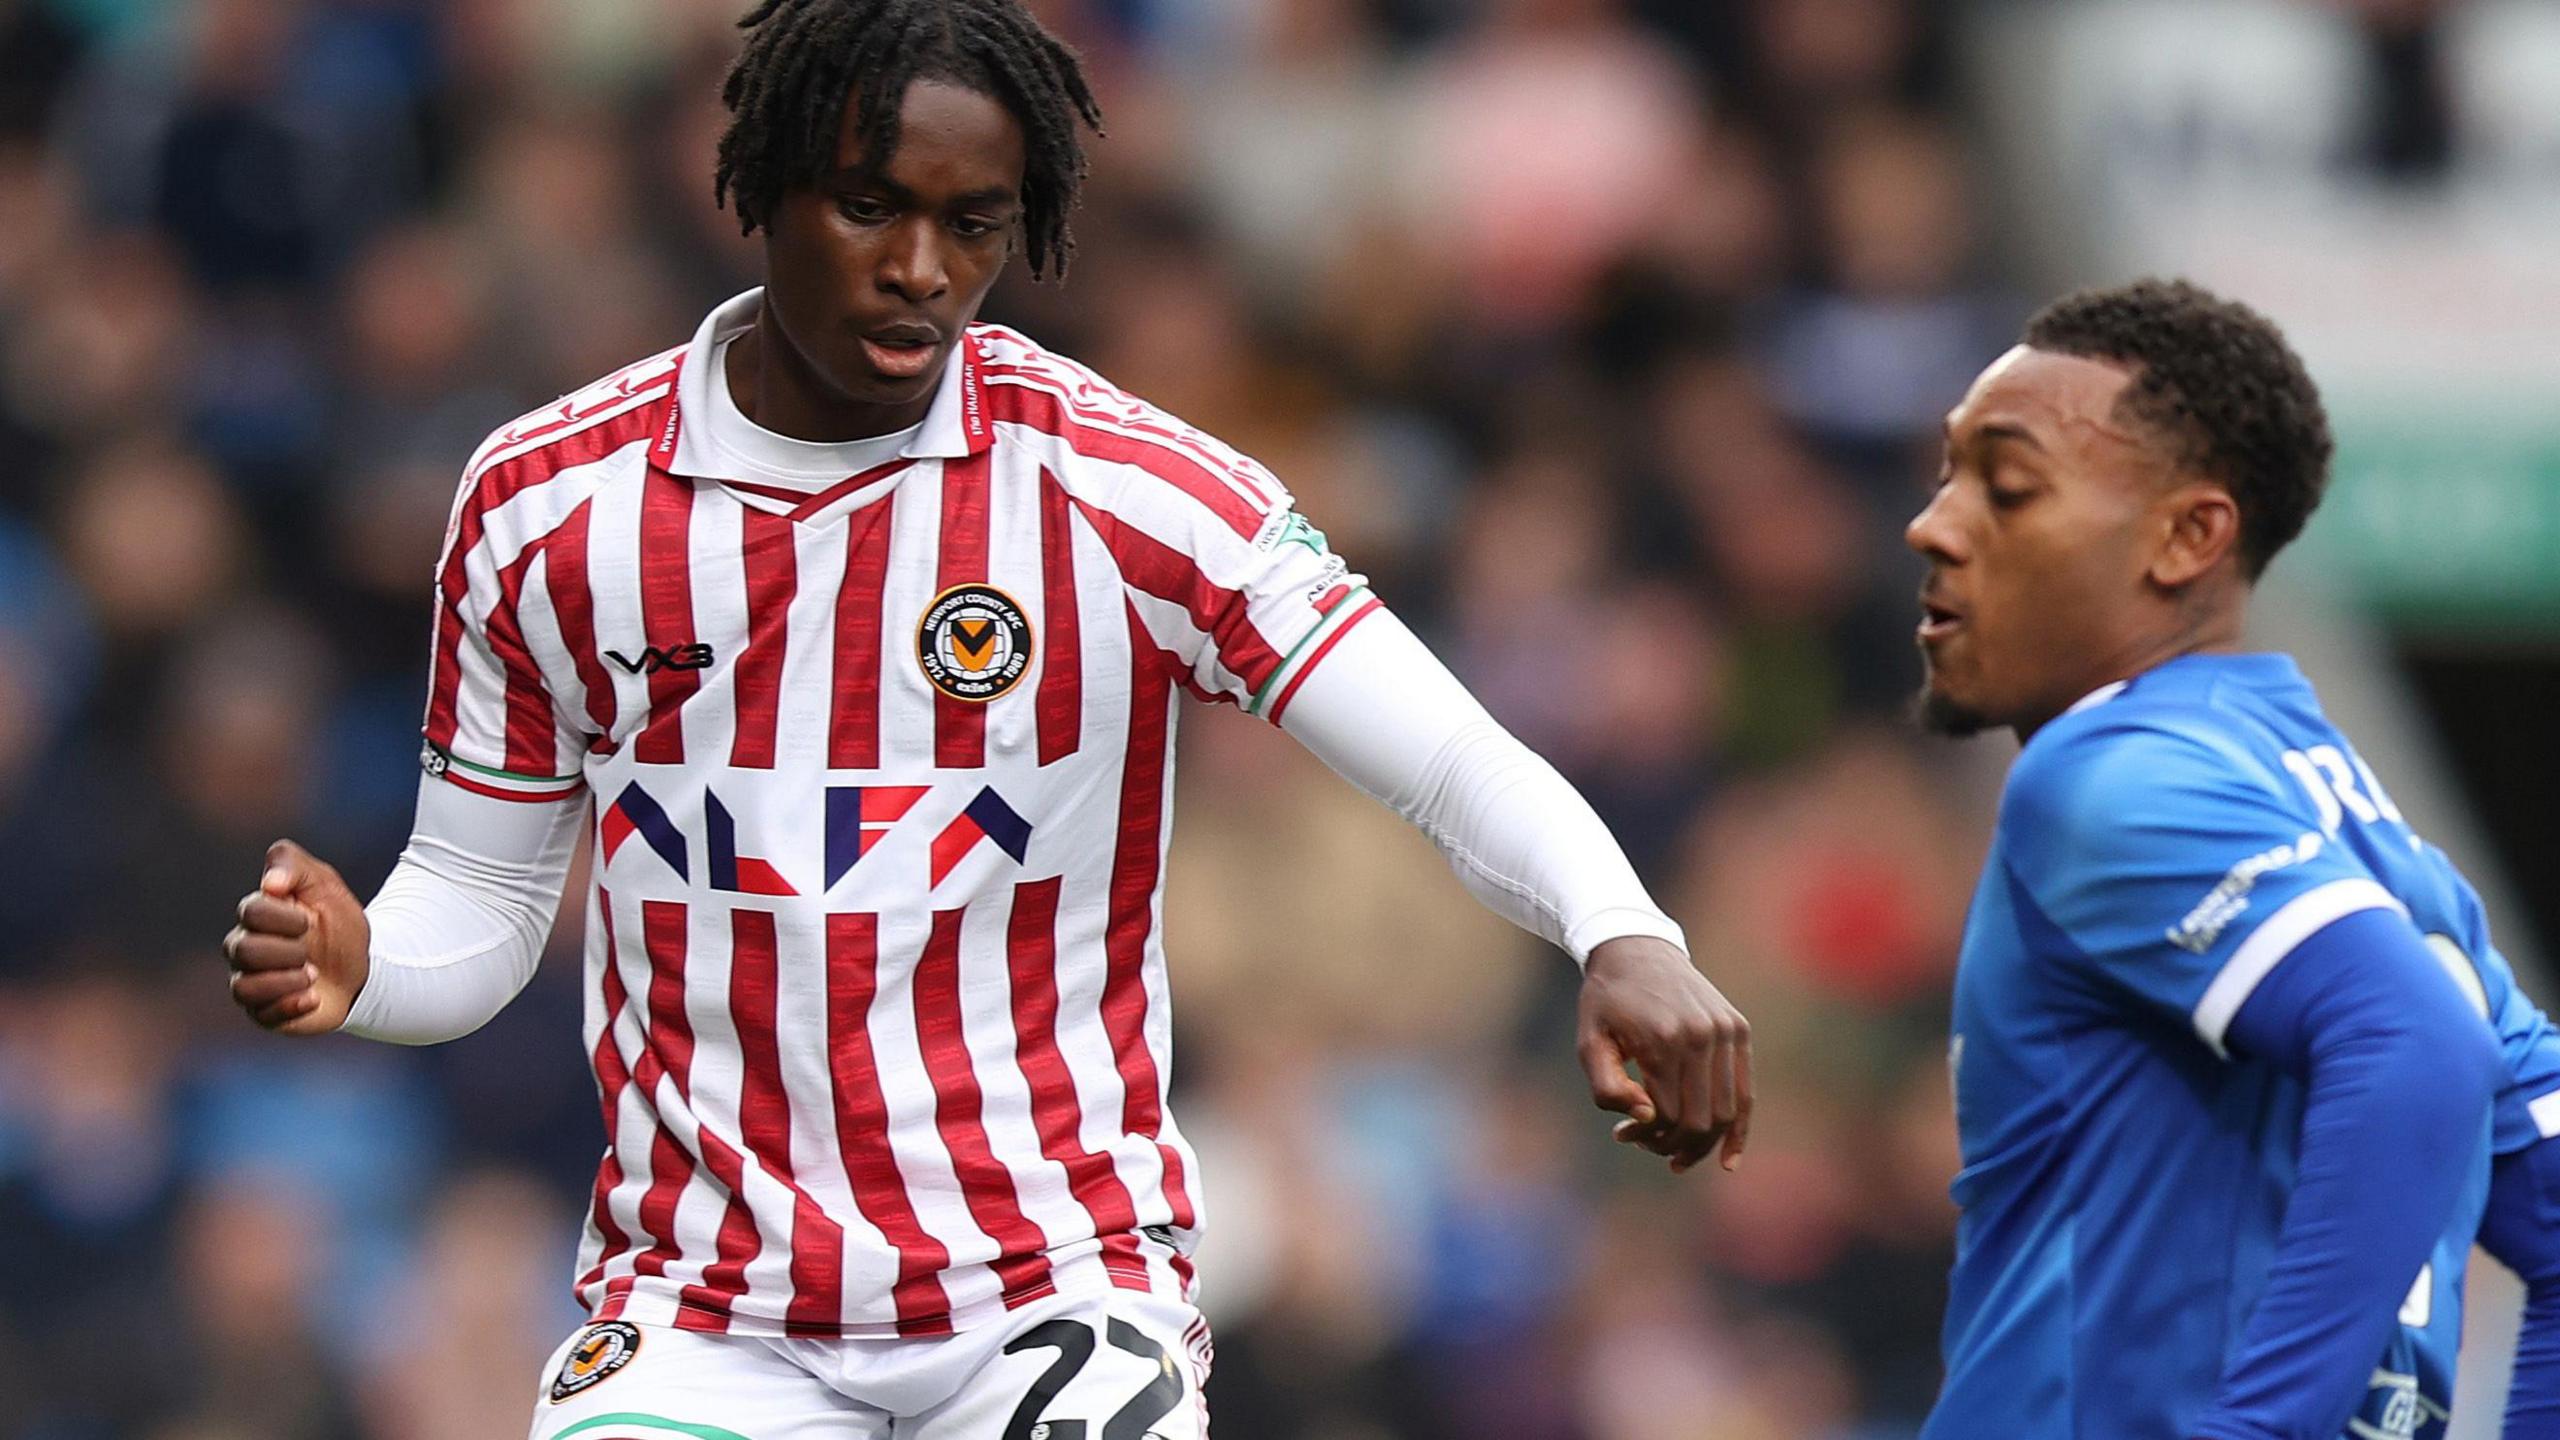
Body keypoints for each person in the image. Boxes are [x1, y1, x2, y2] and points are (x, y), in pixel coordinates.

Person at [216, 1, 1752, 1435]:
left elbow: (1443, 757)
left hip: (1053, 1285)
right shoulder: (549, 506)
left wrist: (1622, 930)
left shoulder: (1128, 491)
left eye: (975, 225)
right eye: (870, 205)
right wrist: (364, 968)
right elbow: (479, 898)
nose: (922, 270)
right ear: (758, 187)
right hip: (706, 1312)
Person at [1906, 277, 2560, 1440]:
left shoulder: (2109, 771)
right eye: (1945, 474)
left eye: (2004, 486)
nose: (1935, 524)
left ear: (2188, 536)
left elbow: (2414, 1044)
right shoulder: (2374, 837)